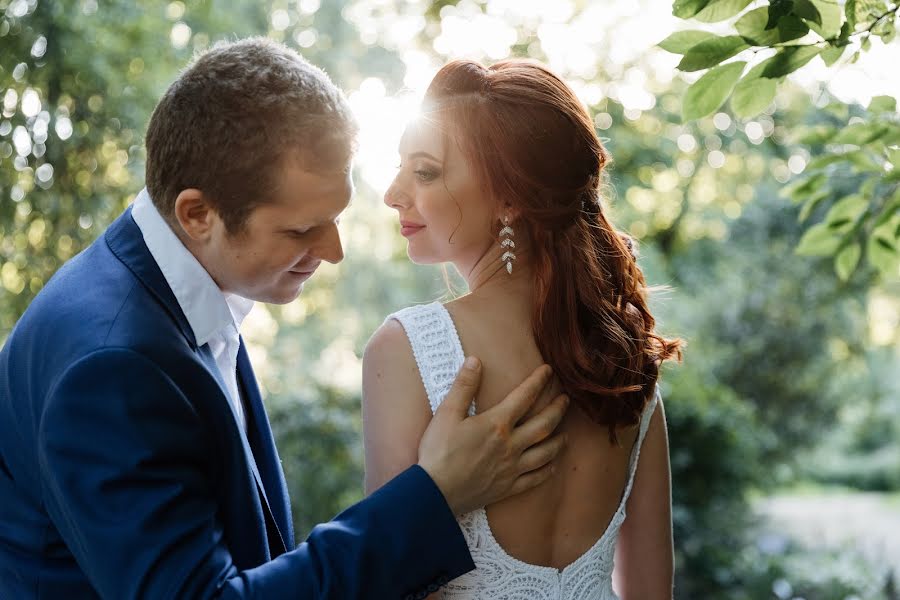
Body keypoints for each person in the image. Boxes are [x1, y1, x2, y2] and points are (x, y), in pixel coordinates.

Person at [0, 39, 571, 599]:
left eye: (335, 217)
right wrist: (436, 494)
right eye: (301, 231)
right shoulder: (112, 365)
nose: (334, 250)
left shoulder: (182, 285)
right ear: (198, 214)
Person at [363, 59, 683, 599]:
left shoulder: (407, 349)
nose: (392, 192)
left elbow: (385, 584)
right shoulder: (625, 359)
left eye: (424, 171)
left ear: (510, 198)